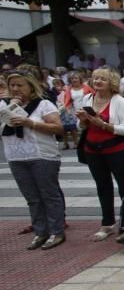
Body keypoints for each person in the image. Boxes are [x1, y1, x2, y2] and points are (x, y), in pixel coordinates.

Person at [2, 71, 66, 249]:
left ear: (31, 86)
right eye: (12, 85)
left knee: (49, 195)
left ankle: (56, 231)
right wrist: (9, 108)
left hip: (42, 155)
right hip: (16, 156)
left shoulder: (43, 104)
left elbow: (58, 128)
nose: (15, 89)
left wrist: (31, 123)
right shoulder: (4, 104)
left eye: (20, 85)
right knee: (32, 197)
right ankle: (40, 232)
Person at [78, 67, 124, 241]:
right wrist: (83, 121)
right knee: (102, 186)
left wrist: (102, 124)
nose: (98, 82)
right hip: (93, 149)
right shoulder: (87, 98)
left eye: (103, 79)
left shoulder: (119, 101)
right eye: (95, 78)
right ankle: (107, 223)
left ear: (112, 82)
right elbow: (82, 127)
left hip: (117, 149)